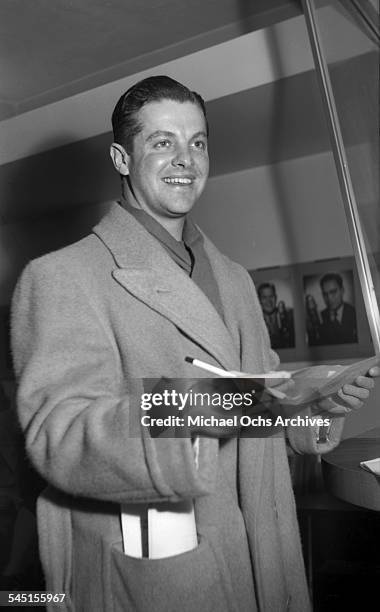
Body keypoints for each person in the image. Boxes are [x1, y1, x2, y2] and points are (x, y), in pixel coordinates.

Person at [11, 76, 379, 612]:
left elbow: (257, 404)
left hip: (265, 544)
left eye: (197, 142)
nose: (186, 158)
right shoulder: (61, 276)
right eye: (163, 142)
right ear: (120, 157)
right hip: (164, 569)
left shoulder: (233, 277)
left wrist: (311, 405)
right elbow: (59, 435)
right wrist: (195, 405)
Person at [319, 273, 357, 345]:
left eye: (333, 292)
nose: (329, 298)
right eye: (325, 294)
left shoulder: (355, 313)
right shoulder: (319, 317)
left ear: (342, 290)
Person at [257, 282, 295, 348]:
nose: (268, 301)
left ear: (276, 297)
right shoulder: (255, 321)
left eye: (271, 296)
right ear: (259, 300)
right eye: (264, 297)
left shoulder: (289, 316)